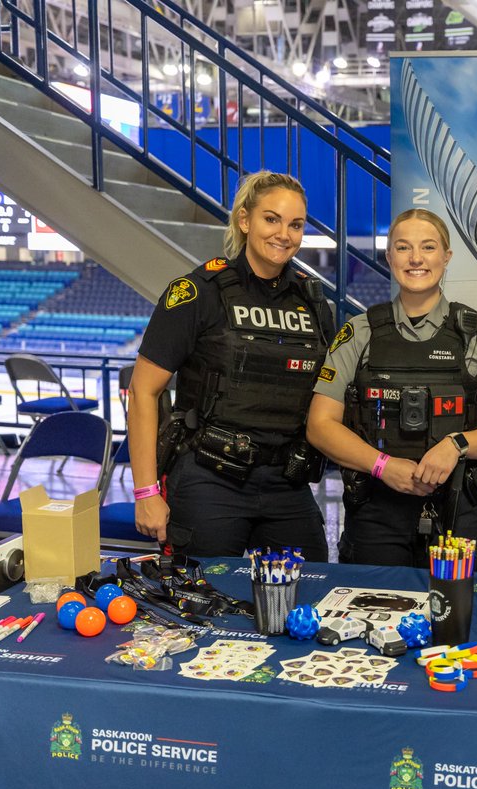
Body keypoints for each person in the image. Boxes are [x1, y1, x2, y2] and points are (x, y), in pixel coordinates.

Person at [128, 171, 335, 558]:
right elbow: (143, 391)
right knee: (199, 606)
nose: (284, 234)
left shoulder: (314, 303)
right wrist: (146, 492)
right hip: (210, 480)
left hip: (286, 484)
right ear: (245, 220)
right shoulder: (197, 292)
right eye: (270, 219)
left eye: (295, 224)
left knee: (308, 597)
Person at [306, 209, 477, 568]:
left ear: (446, 256)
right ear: (389, 257)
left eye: (428, 247)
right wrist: (382, 465)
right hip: (377, 515)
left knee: (463, 621)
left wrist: (456, 445)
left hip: (461, 513)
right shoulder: (360, 333)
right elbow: (320, 425)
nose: (416, 258)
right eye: (403, 248)